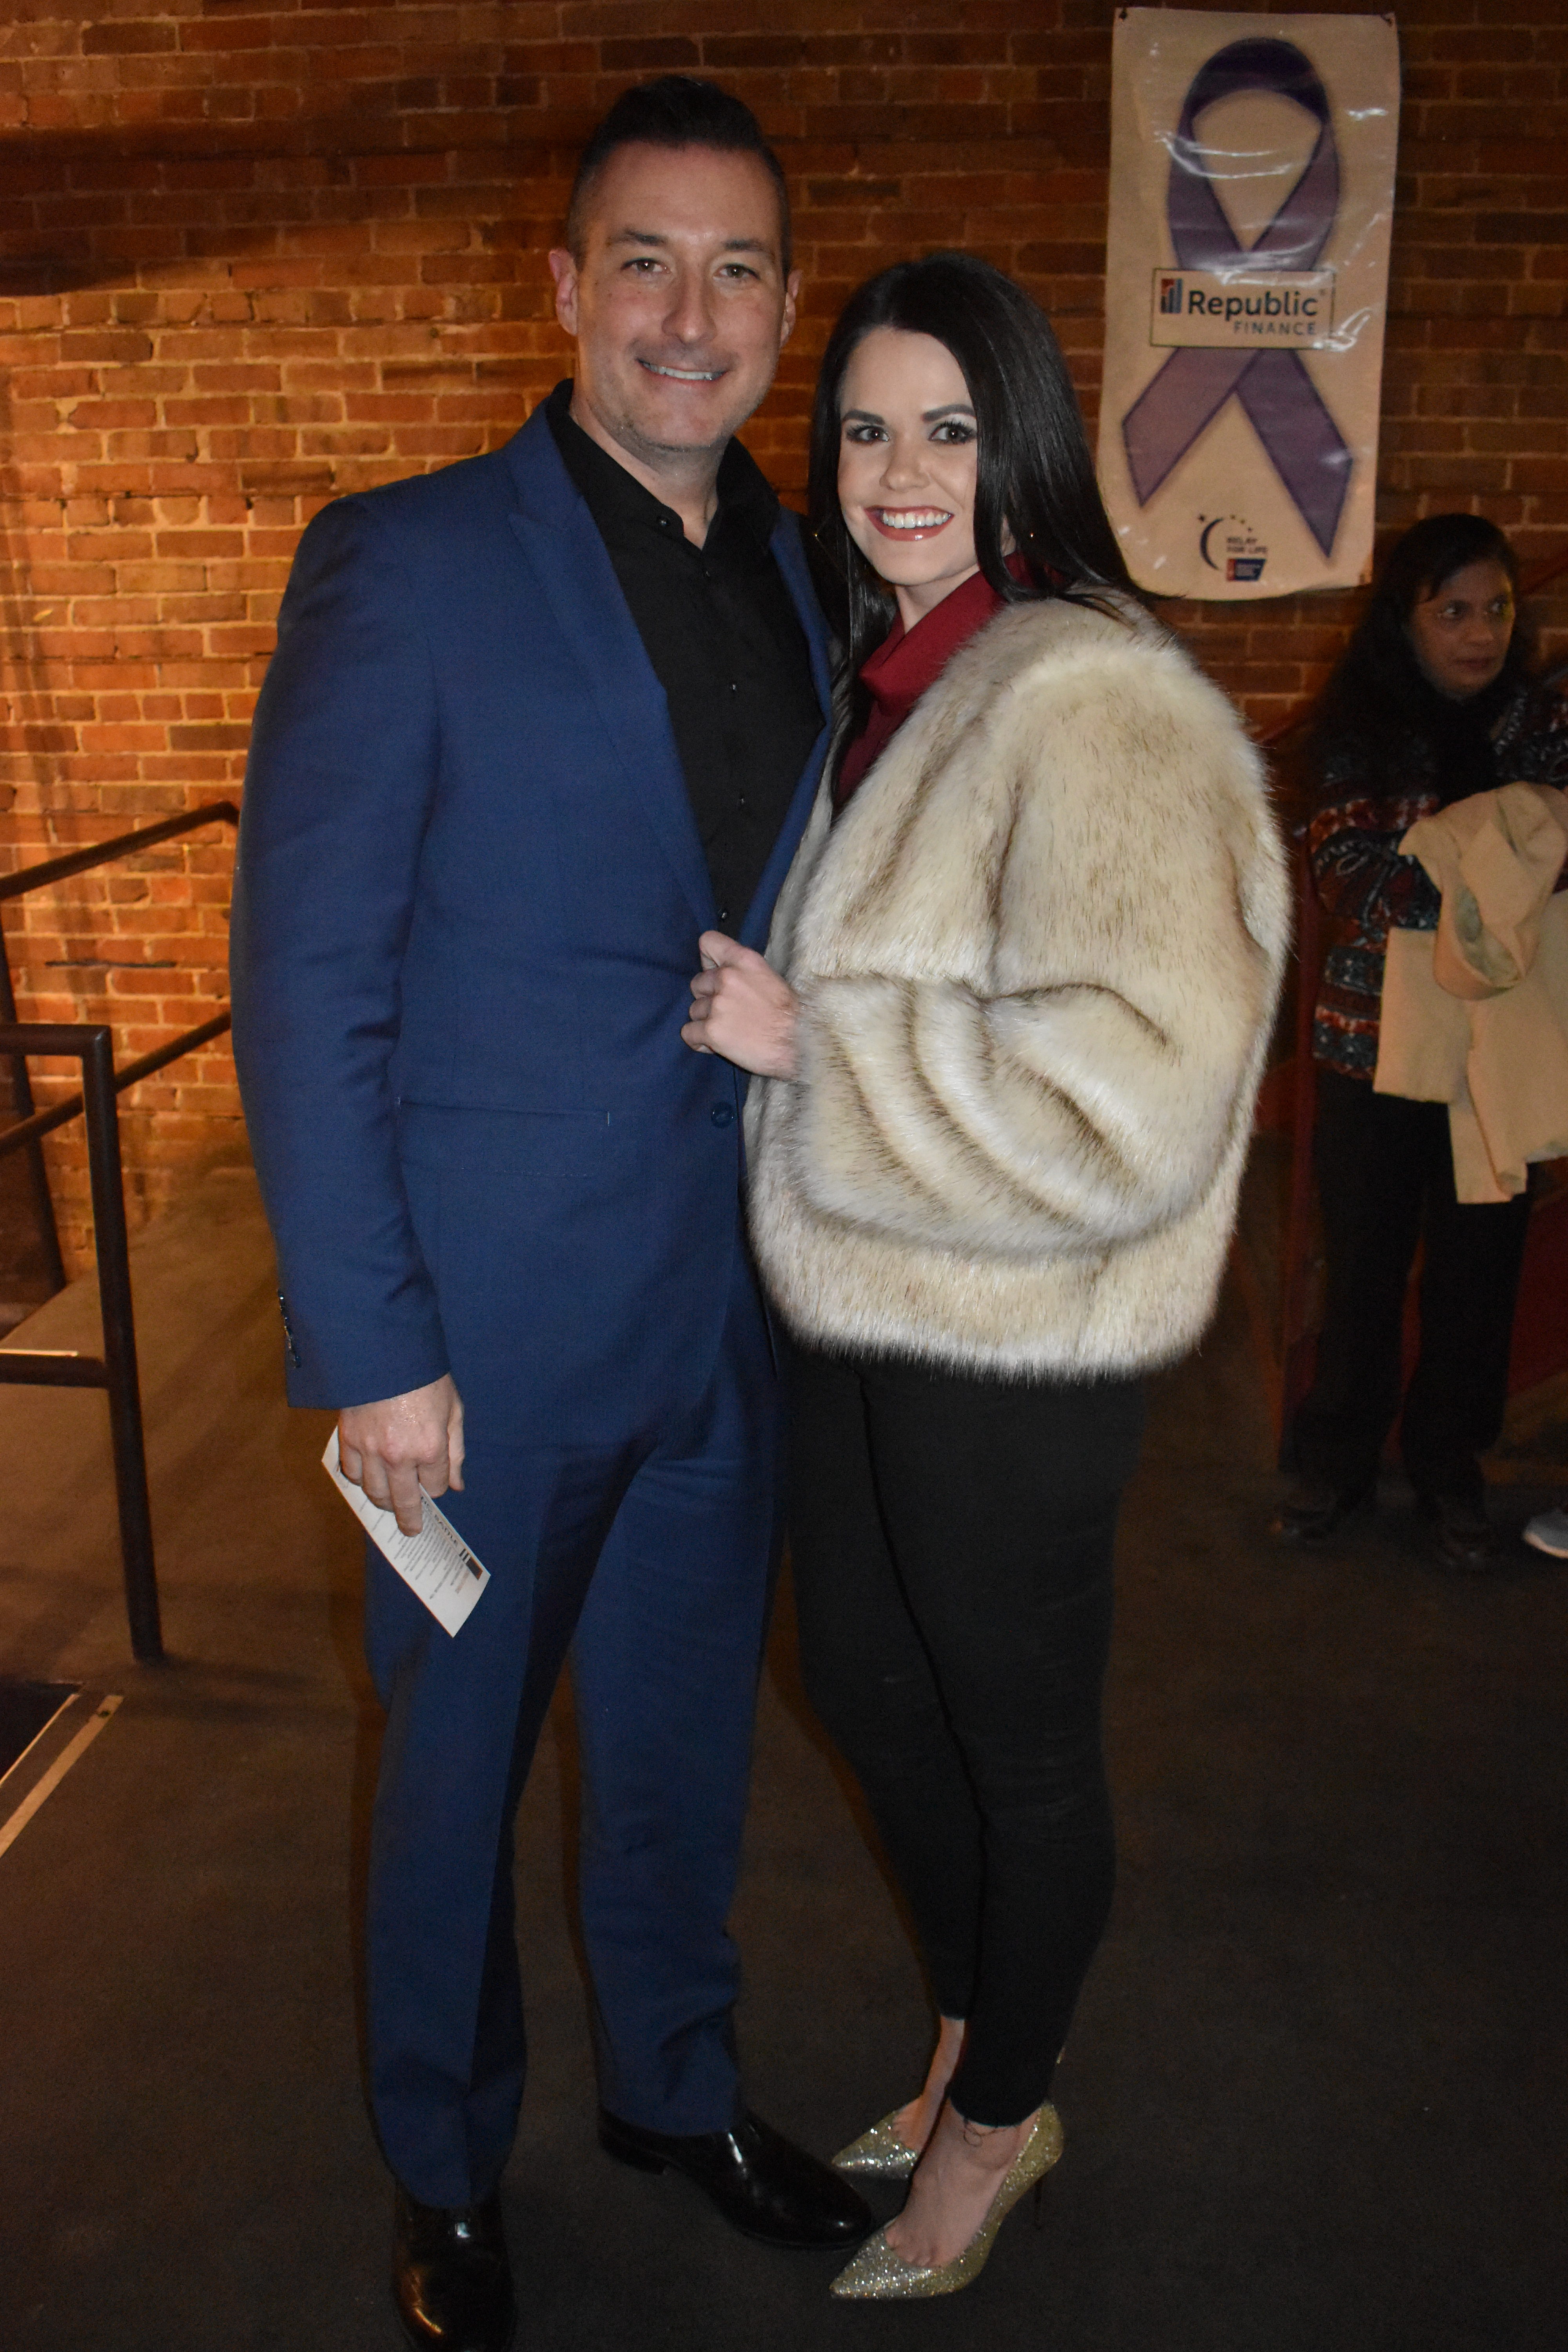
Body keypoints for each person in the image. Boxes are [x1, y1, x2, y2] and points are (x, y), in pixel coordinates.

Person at [230, 77, 872, 2352]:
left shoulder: (802, 575)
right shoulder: (405, 561)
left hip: (722, 1311)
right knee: (455, 1781)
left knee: (683, 1743)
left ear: (784, 307)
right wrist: (375, 1345)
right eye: (646, 262)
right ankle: (445, 2160)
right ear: (567, 285)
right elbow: (303, 978)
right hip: (480, 1340)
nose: (690, 317)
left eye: (737, 271)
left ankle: (671, 2090)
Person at [682, 254, 1287, 2299]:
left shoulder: (1083, 689)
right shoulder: (895, 669)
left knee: (1017, 1741)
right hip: (869, 1295)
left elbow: (1149, 1085)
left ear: (1019, 444)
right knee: (864, 1674)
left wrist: (820, 1050)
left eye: (948, 428)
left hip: (1022, 1330)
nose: (899, 470)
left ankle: (1005, 2113)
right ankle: (968, 2033)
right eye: (865, 426)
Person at [1273, 515, 1568, 1570]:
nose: (1481, 634)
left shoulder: (1540, 725)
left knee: (1479, 1273)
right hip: (1375, 1044)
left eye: (1497, 609)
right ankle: (1337, 1465)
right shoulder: (1357, 727)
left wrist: (1452, 863)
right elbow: (1352, 877)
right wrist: (1499, 874)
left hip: (1504, 1047)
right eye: (1453, 612)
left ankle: (1450, 1469)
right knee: (1364, 1265)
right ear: (1406, 620)